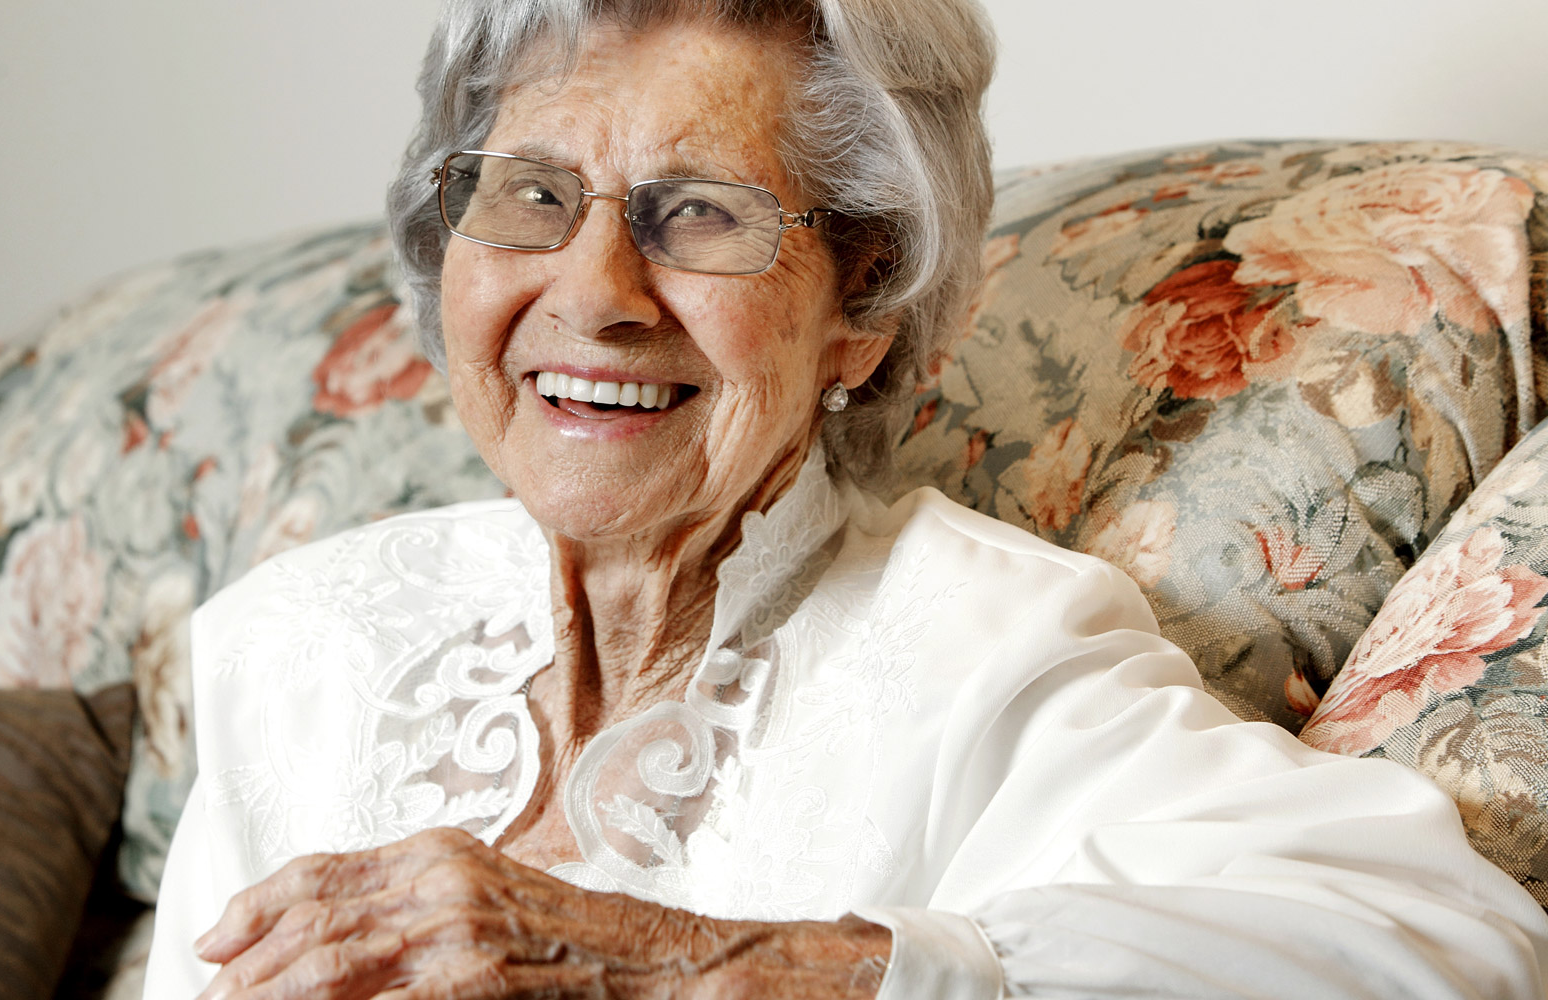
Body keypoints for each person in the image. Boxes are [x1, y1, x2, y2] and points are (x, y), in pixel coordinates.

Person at [145, 1, 1548, 996]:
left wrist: (694, 967)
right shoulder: (302, 640)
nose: (592, 295)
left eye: (699, 213)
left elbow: (1444, 941)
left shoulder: (980, 652)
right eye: (531, 195)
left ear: (861, 307)